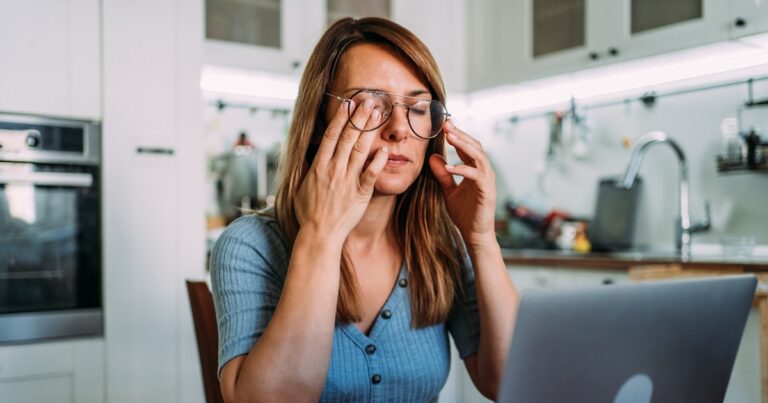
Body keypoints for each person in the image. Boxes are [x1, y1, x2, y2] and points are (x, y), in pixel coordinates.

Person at [210, 17, 519, 402]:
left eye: (418, 107)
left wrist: (481, 239)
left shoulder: (442, 245)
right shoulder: (249, 245)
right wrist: (320, 235)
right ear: (320, 119)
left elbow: (509, 383)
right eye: (370, 104)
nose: (399, 129)